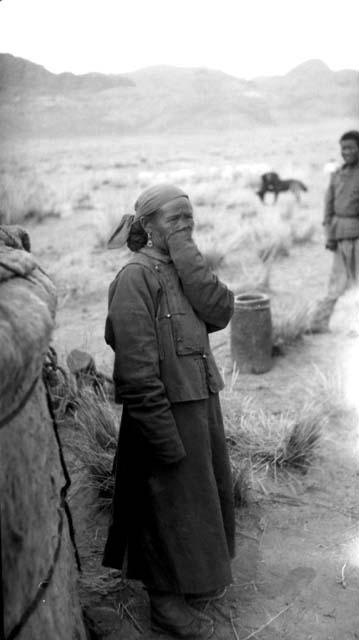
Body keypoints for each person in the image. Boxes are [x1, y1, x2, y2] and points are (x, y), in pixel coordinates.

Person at [103, 184, 235, 639]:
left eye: (189, 219)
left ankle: (192, 582)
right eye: (173, 220)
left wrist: (187, 254)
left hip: (199, 403)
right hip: (163, 411)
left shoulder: (182, 268)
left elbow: (220, 311)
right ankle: (165, 604)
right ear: (148, 227)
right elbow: (136, 370)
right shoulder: (135, 278)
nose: (184, 226)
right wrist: (160, 432)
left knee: (197, 499)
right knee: (164, 503)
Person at [312, 130, 359, 332]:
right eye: (343, 148)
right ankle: (318, 323)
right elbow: (328, 207)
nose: (346, 152)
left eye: (351, 148)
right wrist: (330, 235)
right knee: (337, 282)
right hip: (340, 236)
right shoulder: (337, 175)